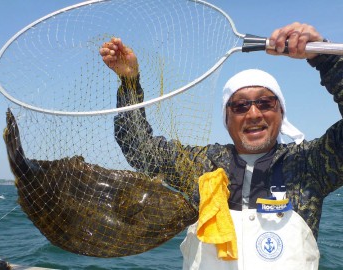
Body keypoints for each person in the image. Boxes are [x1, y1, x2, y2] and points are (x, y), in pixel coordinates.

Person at [100, 22, 343, 269]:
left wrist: (325, 57)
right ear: (226, 119)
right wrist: (129, 82)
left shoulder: (309, 164)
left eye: (266, 103)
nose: (254, 114)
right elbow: (139, 147)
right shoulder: (203, 164)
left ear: (281, 112)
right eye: (240, 107)